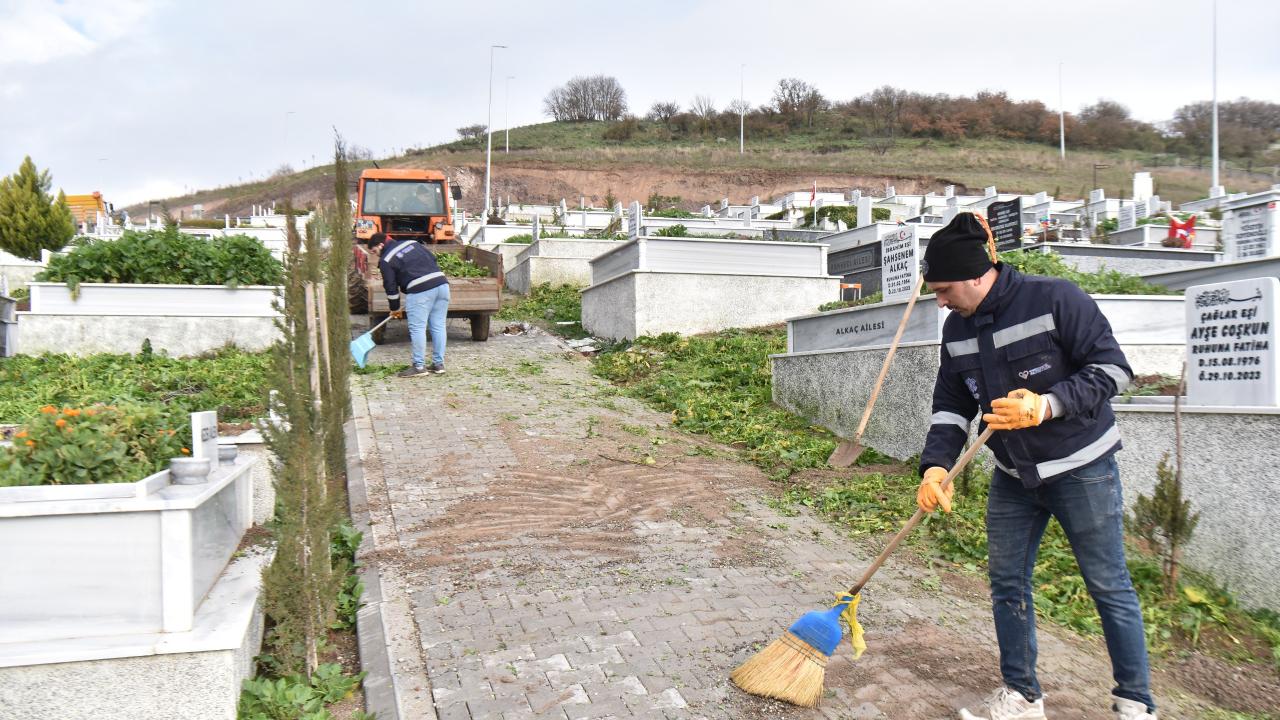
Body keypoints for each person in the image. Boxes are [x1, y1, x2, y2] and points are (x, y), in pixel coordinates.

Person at [914, 213, 1156, 720]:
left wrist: (1046, 405)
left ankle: (1135, 702)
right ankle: (1022, 696)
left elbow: (1113, 369)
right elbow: (950, 406)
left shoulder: (1056, 299)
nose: (939, 299)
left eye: (944, 288)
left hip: (1082, 467)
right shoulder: (957, 329)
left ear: (977, 275)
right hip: (1014, 477)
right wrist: (935, 468)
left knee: (1107, 583)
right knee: (1006, 582)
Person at [364, 232, 450, 377]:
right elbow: (433, 259)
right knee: (438, 326)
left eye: (375, 251)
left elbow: (390, 287)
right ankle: (438, 364)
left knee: (417, 328)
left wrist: (394, 308)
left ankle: (419, 366)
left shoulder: (386, 260)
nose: (376, 255)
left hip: (420, 291)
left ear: (381, 245)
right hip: (442, 285)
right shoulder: (412, 243)